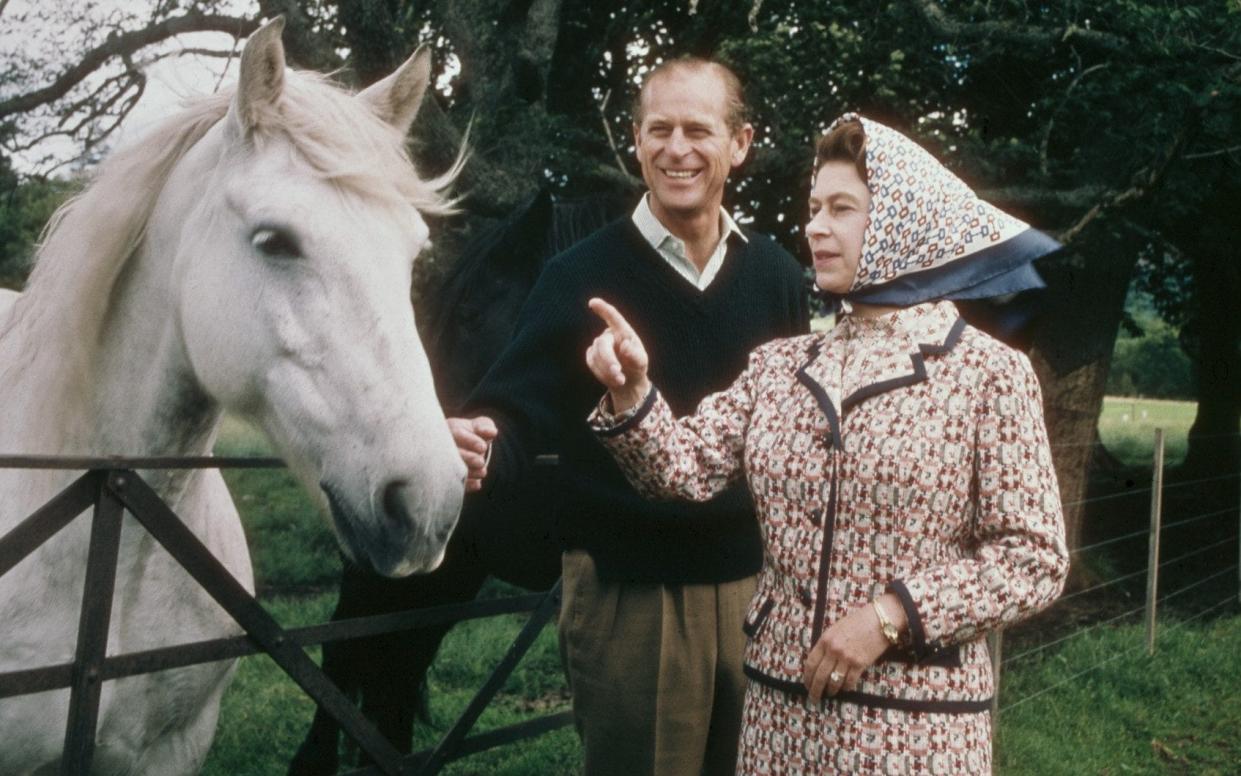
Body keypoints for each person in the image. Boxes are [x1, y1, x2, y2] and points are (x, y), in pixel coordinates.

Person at [584, 114, 1069, 774]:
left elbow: (1032, 558)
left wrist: (889, 616)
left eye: (842, 209)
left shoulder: (986, 373)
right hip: (779, 722)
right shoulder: (777, 366)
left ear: (904, 221)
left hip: (917, 731)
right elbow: (680, 470)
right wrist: (632, 389)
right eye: (813, 208)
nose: (814, 227)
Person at [450, 58, 810, 775]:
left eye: (698, 130)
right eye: (659, 130)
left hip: (755, 592)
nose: (677, 149)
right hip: (631, 596)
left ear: (739, 143)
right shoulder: (578, 275)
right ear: (636, 141)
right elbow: (516, 410)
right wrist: (482, 441)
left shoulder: (775, 275)